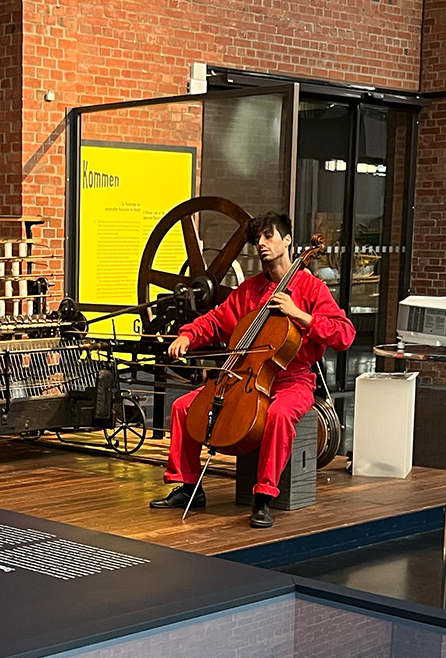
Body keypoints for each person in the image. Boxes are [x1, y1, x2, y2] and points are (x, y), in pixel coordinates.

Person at [150, 212, 355, 528]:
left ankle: (263, 496)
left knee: (279, 415)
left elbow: (345, 334)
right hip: (245, 375)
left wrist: (300, 315)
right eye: (257, 239)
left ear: (287, 240)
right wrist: (188, 335)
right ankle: (189, 486)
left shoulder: (312, 289)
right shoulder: (250, 290)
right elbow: (217, 320)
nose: (261, 243)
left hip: (292, 380)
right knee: (183, 407)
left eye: (268, 236)